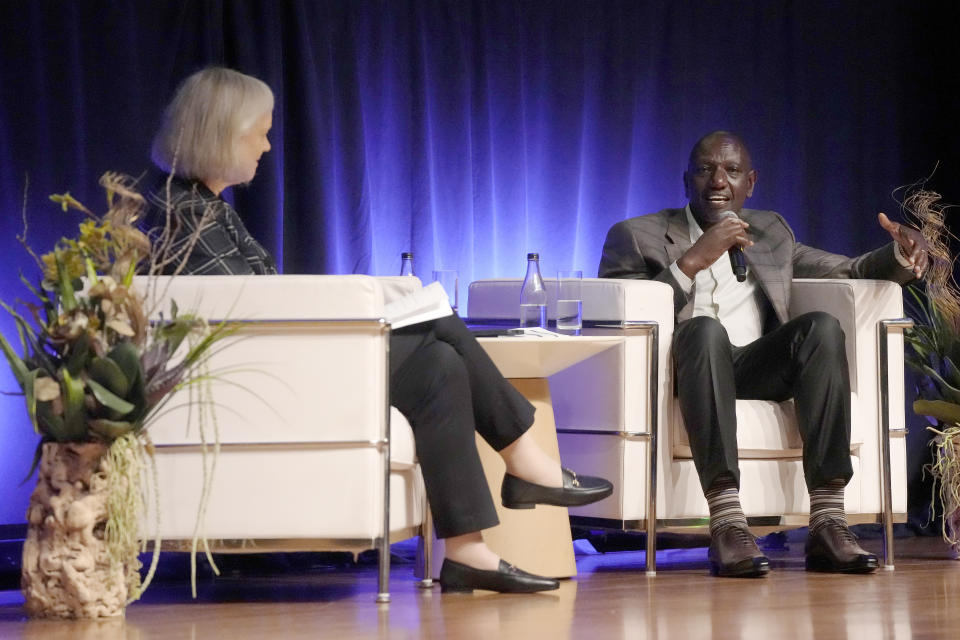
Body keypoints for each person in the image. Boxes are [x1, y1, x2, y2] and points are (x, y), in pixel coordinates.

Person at [146, 67, 614, 594]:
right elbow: (251, 316)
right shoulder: (182, 211)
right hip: (262, 375)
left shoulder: (205, 207)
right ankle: (525, 461)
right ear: (223, 133)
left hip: (280, 360)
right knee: (438, 320)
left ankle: (467, 551)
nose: (268, 145)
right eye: (260, 131)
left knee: (440, 364)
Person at [599, 131, 928, 578]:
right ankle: (728, 522)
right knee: (703, 330)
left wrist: (900, 255)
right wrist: (693, 259)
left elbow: (848, 269)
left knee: (821, 329)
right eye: (705, 169)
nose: (718, 180)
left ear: (749, 183)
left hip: (752, 366)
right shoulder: (637, 236)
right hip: (687, 369)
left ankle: (829, 520)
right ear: (686, 180)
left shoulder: (770, 231)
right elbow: (621, 311)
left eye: (732, 171)